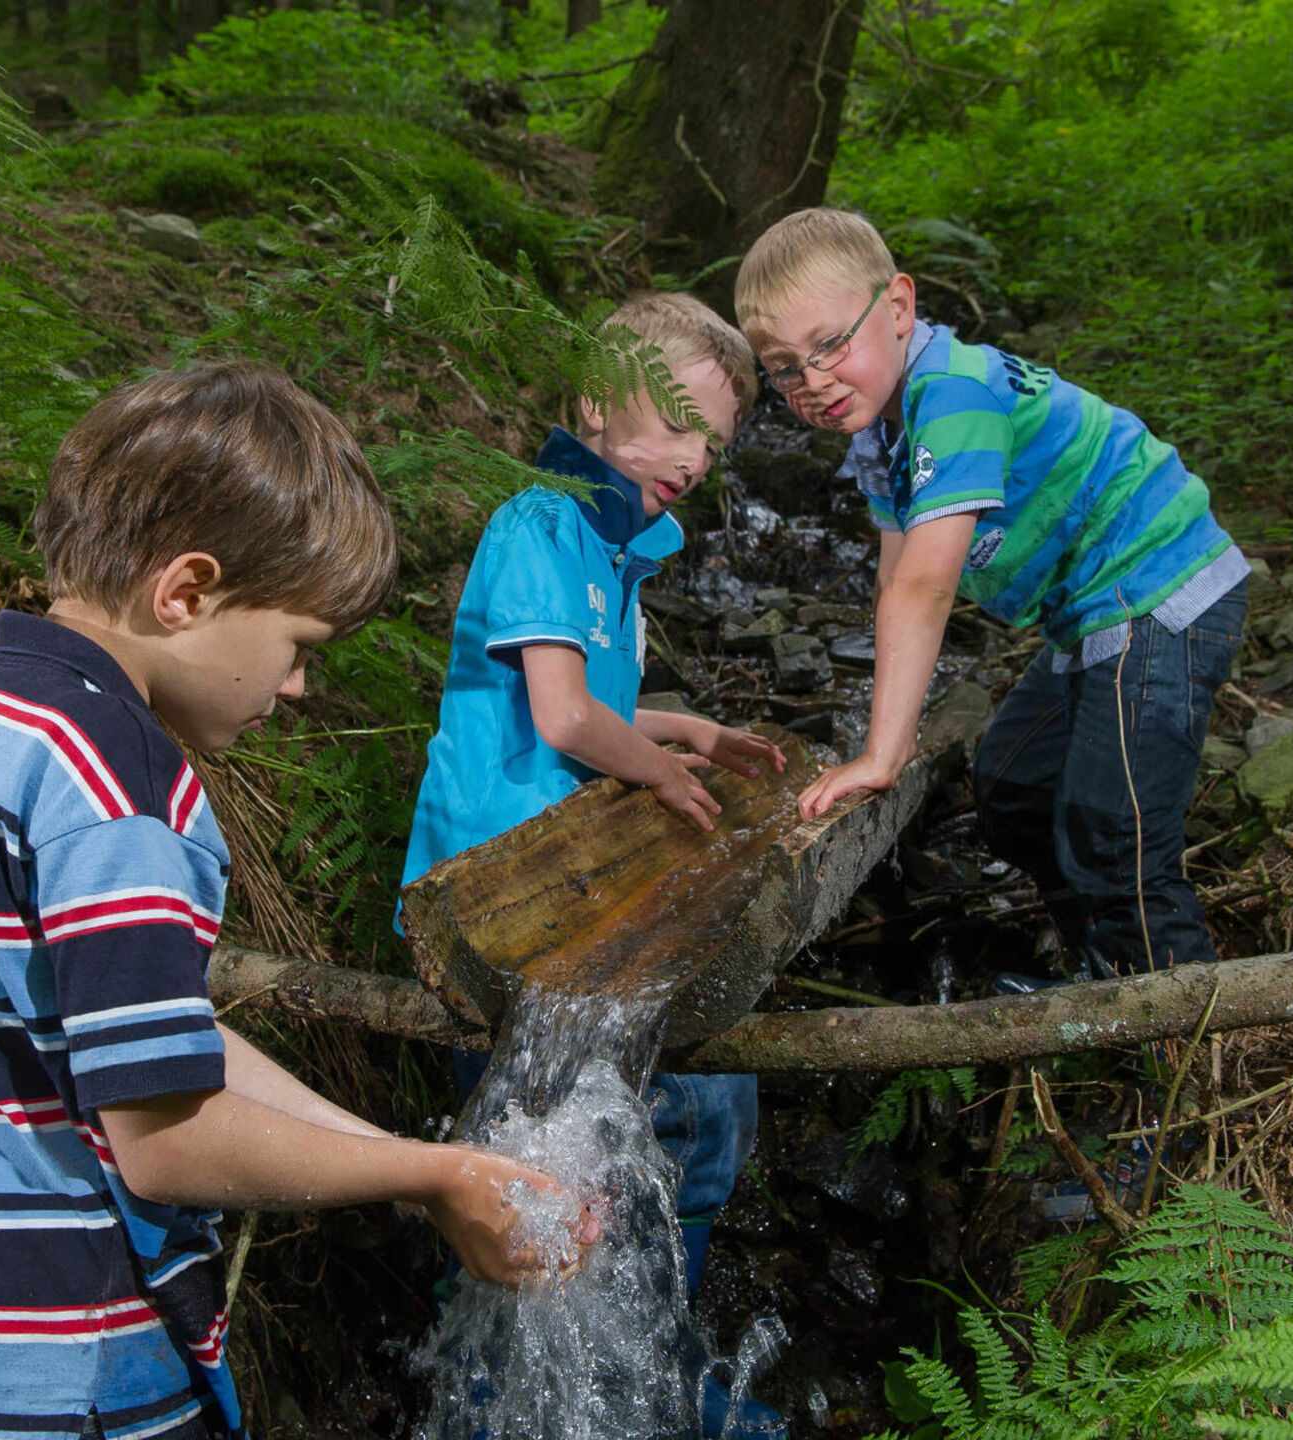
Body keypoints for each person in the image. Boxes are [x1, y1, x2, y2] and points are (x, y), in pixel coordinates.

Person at [0, 363, 595, 1440]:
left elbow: (156, 1047)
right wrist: (430, 1168)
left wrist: (428, 1176)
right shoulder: (119, 790)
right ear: (186, 593)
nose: (296, 689)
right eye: (298, 648)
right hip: (69, 1377)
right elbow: (168, 1139)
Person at [400, 294, 788, 1433]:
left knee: (704, 1103)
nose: (697, 459)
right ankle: (487, 1395)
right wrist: (664, 777)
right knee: (535, 1157)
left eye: (713, 440)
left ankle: (652, 1371)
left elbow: (603, 704)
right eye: (677, 425)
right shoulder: (538, 520)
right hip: (498, 902)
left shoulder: (611, 550)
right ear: (590, 404)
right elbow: (564, 719)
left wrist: (688, 733)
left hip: (576, 895)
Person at [735, 207, 1248, 983]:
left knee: (1116, 832)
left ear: (899, 308)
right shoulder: (881, 432)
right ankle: (1101, 973)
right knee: (1012, 789)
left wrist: (881, 755)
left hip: (1156, 586)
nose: (813, 381)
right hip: (1090, 615)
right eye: (785, 367)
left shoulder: (954, 395)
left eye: (832, 344)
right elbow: (891, 578)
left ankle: (1178, 1038)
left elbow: (927, 583)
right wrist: (891, 736)